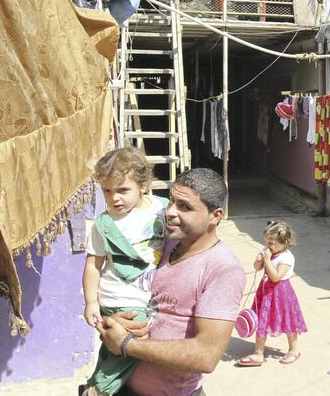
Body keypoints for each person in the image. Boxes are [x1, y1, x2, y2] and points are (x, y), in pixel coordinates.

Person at [98, 168, 246, 396]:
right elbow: (118, 287)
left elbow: (206, 355)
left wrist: (128, 345)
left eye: (184, 207)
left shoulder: (222, 269)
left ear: (215, 216)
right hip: (121, 385)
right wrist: (112, 322)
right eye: (171, 201)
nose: (170, 212)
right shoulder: (160, 243)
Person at [82, 147, 167, 396]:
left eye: (122, 190)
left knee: (112, 349)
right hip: (120, 297)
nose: (114, 198)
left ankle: (93, 383)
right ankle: (100, 389)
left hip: (144, 293)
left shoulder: (161, 209)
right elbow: (92, 264)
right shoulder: (105, 224)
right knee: (134, 343)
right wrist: (90, 303)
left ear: (143, 185)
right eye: (107, 191)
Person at [235, 220, 307, 367]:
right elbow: (257, 268)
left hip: (281, 293)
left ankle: (293, 350)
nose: (268, 246)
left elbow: (276, 277)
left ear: (285, 242)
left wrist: (267, 260)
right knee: (262, 319)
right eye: (267, 242)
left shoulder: (286, 258)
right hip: (265, 291)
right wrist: (259, 262)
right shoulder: (267, 250)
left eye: (272, 243)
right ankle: (258, 353)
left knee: (288, 321)